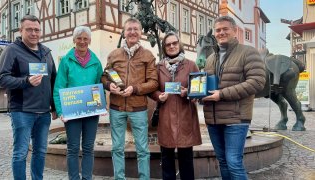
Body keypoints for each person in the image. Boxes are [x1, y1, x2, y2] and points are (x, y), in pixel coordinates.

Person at [202, 16, 266, 180]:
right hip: (214, 119)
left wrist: (221, 94)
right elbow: (205, 86)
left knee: (233, 162)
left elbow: (257, 82)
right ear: (214, 33)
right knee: (223, 161)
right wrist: (196, 93)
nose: (221, 32)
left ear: (234, 30)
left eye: (225, 29)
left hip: (236, 118)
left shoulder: (248, 52)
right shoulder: (210, 58)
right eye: (218, 30)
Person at [0, 15, 57, 180]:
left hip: (44, 112)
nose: (33, 33)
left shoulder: (46, 52)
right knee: (21, 152)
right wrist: (26, 81)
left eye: (37, 30)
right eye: (29, 29)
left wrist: (54, 106)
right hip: (22, 111)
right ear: (21, 31)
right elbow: (3, 78)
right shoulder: (12, 50)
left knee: (40, 152)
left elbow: (53, 80)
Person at [101, 17, 158, 180]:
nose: (132, 32)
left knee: (143, 149)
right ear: (124, 33)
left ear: (140, 33)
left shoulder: (148, 55)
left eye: (135, 29)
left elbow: (153, 83)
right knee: (117, 148)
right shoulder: (114, 55)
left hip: (138, 109)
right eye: (129, 29)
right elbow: (104, 76)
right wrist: (108, 86)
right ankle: (119, 178)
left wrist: (135, 89)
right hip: (116, 109)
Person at [53, 26, 103, 180]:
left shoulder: (95, 62)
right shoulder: (66, 61)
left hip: (91, 112)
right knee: (73, 148)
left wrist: (102, 106)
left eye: (85, 38)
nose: (82, 41)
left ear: (90, 40)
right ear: (74, 40)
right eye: (79, 38)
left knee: (88, 148)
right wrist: (61, 111)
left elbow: (99, 85)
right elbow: (59, 87)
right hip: (71, 112)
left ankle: (87, 178)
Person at [150, 32, 202, 180]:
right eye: (168, 44)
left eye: (174, 43)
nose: (172, 46)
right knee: (167, 159)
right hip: (166, 116)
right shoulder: (158, 67)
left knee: (186, 158)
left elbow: (198, 91)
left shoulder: (191, 65)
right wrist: (158, 95)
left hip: (185, 116)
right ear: (164, 47)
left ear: (180, 45)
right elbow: (152, 89)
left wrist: (188, 92)